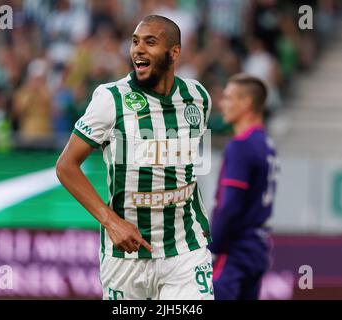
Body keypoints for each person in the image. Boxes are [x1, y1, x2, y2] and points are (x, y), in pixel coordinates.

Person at [56, 15, 213, 300]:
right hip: (125, 258)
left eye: (150, 42)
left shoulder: (198, 97)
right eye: (135, 42)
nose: (138, 49)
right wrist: (110, 221)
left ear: (174, 52)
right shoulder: (110, 99)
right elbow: (66, 166)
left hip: (186, 249)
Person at [209, 73, 279, 300]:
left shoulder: (241, 146)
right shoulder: (267, 144)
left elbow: (230, 205)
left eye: (228, 98)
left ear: (246, 102)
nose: (222, 103)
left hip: (234, 251)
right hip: (257, 249)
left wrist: (212, 247)